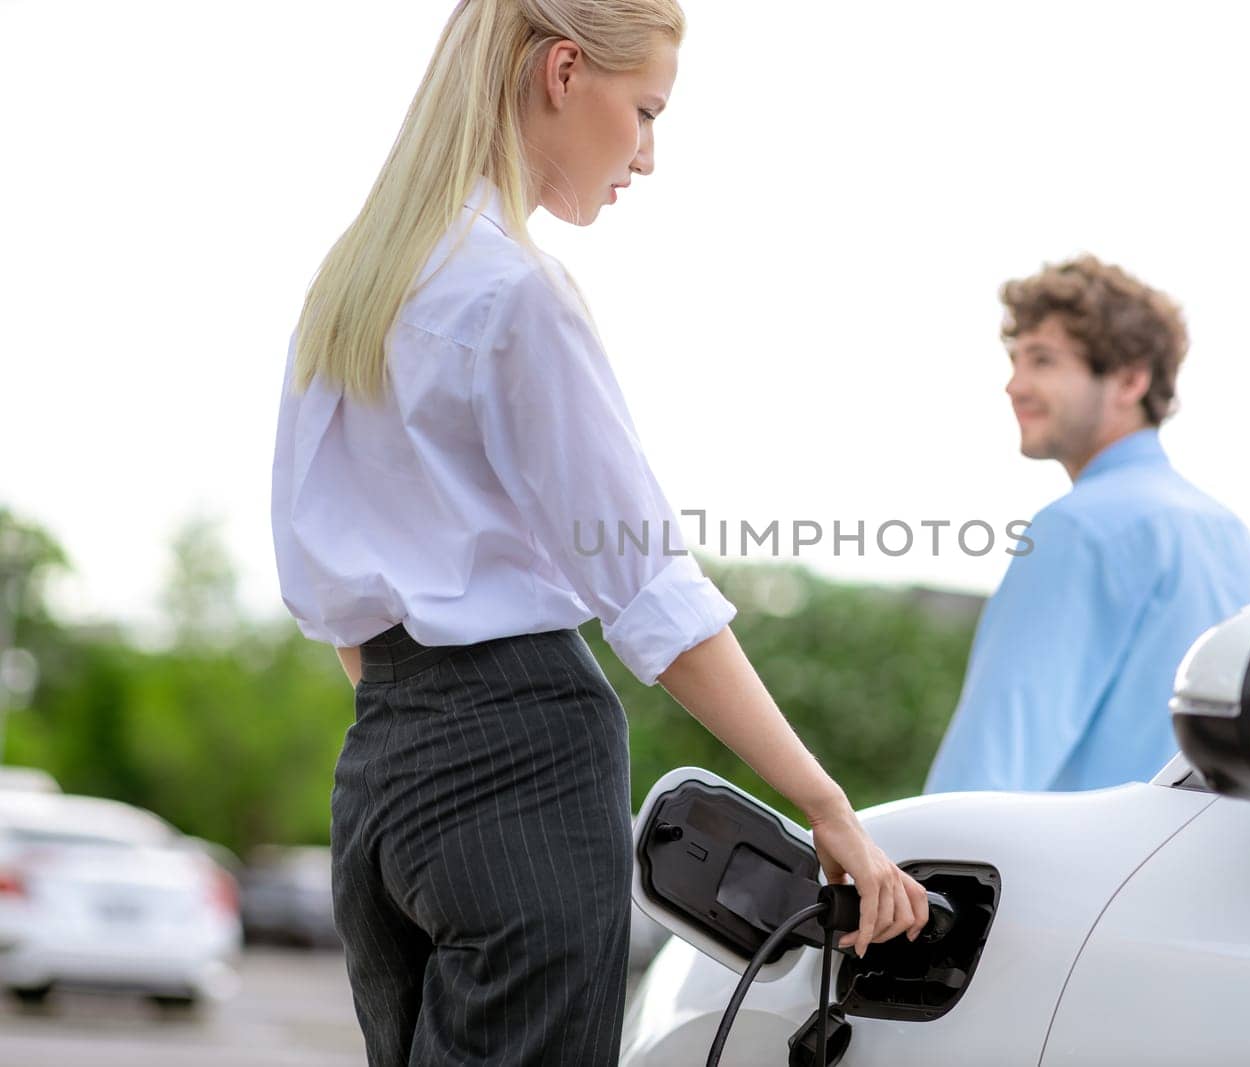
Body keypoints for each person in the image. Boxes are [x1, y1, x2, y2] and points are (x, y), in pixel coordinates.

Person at [270, 2, 926, 1063]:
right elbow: (652, 594)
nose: (649, 156)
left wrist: (423, 723)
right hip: (520, 760)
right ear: (563, 72)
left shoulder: (346, 292)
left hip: (379, 771)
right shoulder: (514, 291)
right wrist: (827, 805)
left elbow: (329, 593)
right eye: (646, 111)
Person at [925, 255, 1250, 794]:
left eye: (1042, 361)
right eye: (1015, 360)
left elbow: (987, 769)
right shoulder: (1230, 532)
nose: (1014, 385)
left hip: (1093, 876)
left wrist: (920, 865)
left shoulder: (1080, 529)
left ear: (1131, 379)